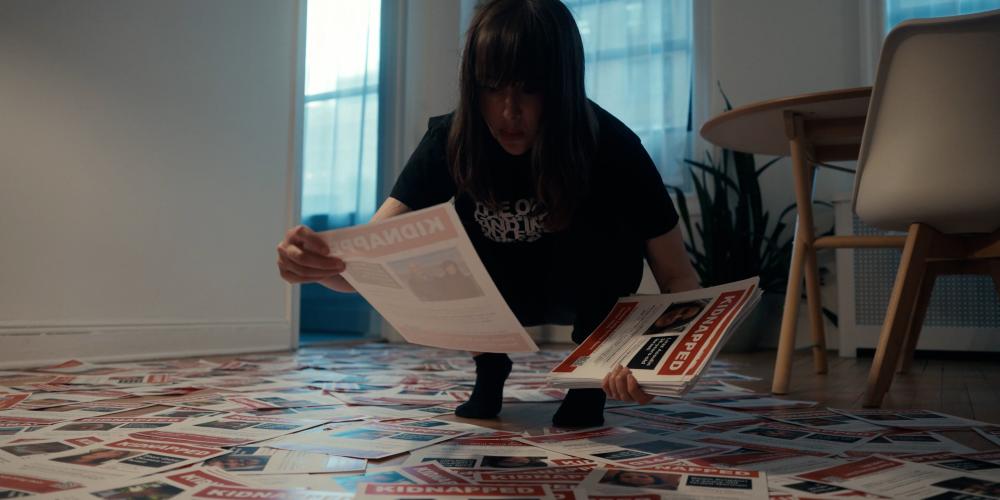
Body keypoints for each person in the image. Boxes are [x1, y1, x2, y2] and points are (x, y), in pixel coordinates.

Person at [276, 0, 699, 427]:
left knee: (608, 239)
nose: (508, 113)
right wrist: (313, 266)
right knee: (442, 246)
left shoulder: (614, 146)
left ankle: (586, 384)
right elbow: (366, 264)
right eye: (492, 87)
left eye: (530, 89)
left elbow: (678, 276)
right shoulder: (452, 139)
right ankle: (490, 367)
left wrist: (652, 361)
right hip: (497, 294)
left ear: (563, 86)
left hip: (589, 289)